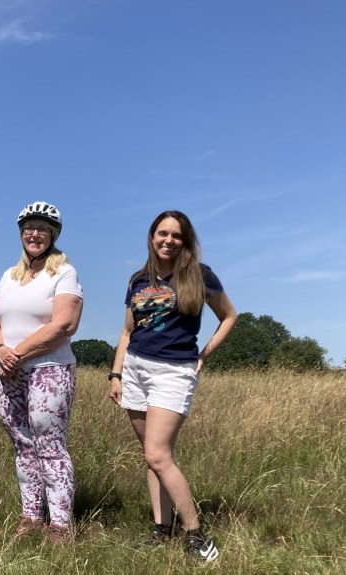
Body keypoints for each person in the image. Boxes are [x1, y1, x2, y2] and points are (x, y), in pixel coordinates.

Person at [107, 210, 236, 563]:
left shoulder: (199, 275)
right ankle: (161, 531)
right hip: (135, 369)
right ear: (152, 237)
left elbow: (229, 316)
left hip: (173, 372)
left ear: (185, 240)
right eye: (162, 233)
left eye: (176, 235)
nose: (168, 240)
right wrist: (116, 375)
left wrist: (204, 354)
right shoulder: (138, 279)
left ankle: (196, 536)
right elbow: (126, 332)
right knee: (153, 458)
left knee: (157, 455)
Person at [0, 201, 83, 541]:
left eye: (42, 228)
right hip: (7, 372)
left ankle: (60, 524)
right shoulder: (9, 276)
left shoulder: (64, 272)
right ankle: (31, 516)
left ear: (53, 234)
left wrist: (18, 353)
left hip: (49, 369)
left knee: (50, 445)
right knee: (23, 444)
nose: (34, 234)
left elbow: (65, 323)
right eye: (29, 228)